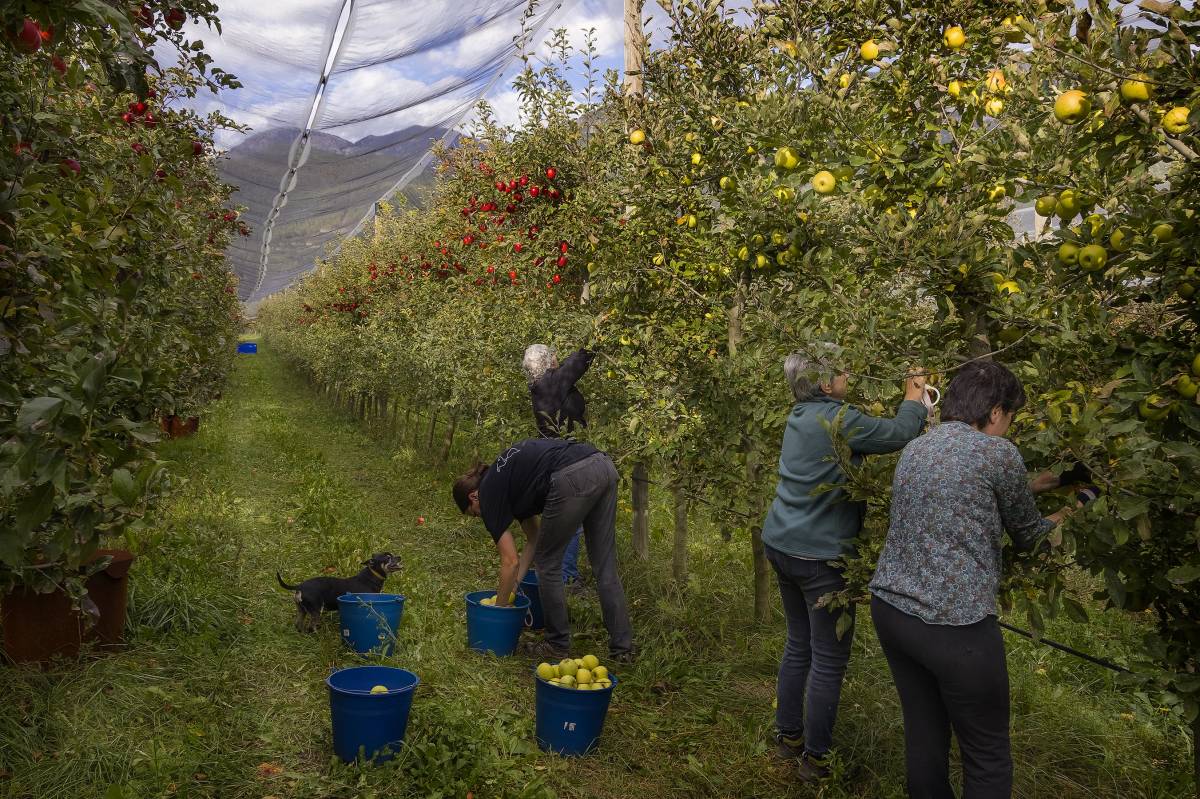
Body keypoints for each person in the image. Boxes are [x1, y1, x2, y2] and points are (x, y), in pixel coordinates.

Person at [869, 360, 1091, 799]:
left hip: (892, 608)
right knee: (987, 753)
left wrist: (1043, 484)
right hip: (955, 625)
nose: (1008, 427)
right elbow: (1030, 536)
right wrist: (1079, 505)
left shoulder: (918, 447)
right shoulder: (998, 454)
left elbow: (966, 490)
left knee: (924, 735)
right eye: (1010, 417)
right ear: (994, 412)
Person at [761, 346, 931, 782]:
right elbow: (899, 433)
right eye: (841, 370)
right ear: (824, 383)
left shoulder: (799, 416)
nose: (848, 374)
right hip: (821, 557)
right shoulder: (841, 420)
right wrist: (914, 393)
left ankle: (789, 737)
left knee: (799, 644)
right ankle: (816, 760)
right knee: (828, 658)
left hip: (781, 543)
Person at [452, 437, 634, 661]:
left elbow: (510, 561)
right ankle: (622, 649)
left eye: (474, 513)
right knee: (605, 567)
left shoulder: (488, 494)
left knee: (548, 565)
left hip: (571, 475)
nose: (480, 517)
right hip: (603, 466)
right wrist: (514, 586)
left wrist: (499, 610)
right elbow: (534, 539)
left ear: (473, 496)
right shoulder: (507, 480)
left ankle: (557, 644)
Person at [522, 344, 594, 585]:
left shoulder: (542, 385)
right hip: (565, 459)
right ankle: (566, 577)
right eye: (553, 355)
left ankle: (552, 570)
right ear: (546, 362)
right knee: (571, 519)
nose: (557, 357)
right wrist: (597, 334)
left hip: (557, 456)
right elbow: (577, 363)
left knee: (562, 516)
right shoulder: (550, 383)